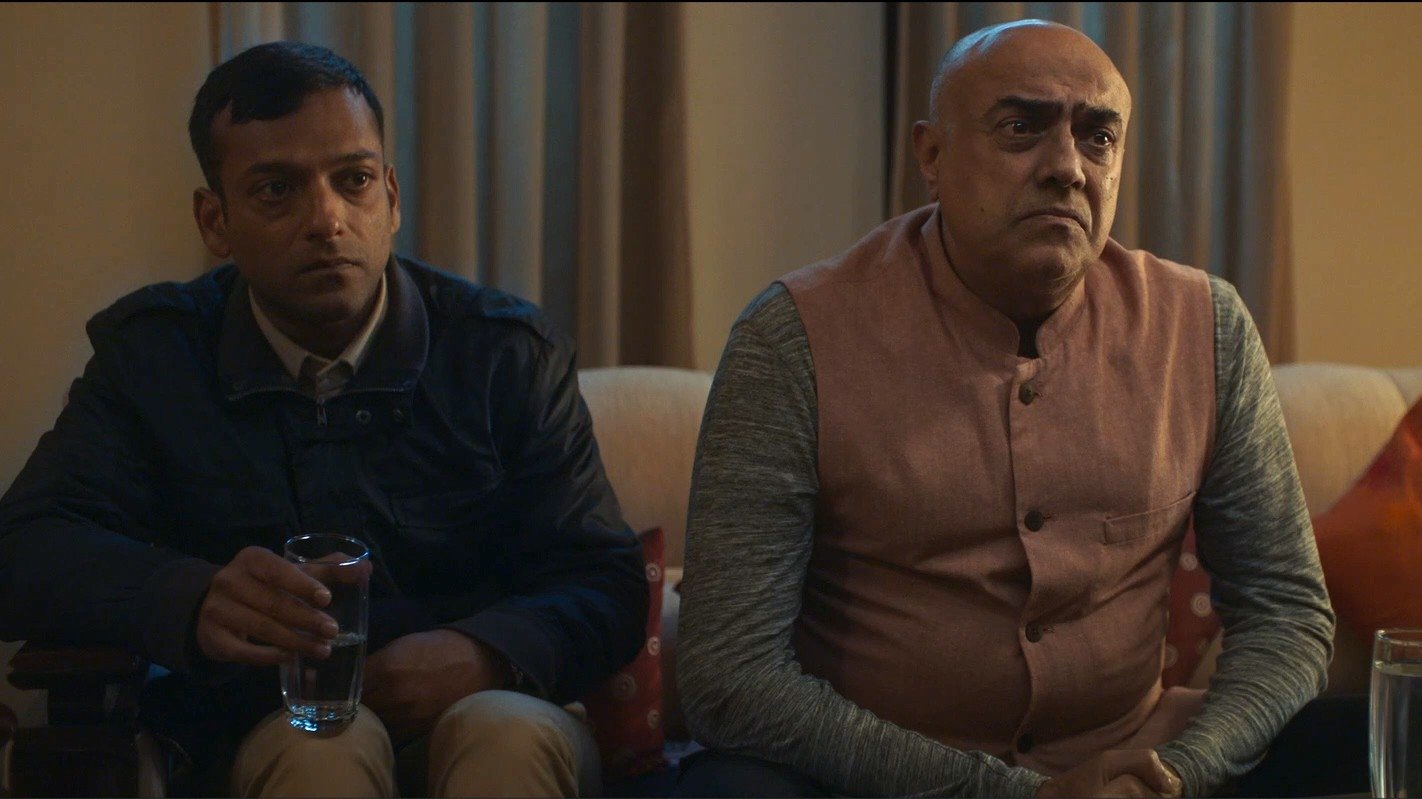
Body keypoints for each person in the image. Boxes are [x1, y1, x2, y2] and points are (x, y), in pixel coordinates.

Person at [675, 19, 1340, 798]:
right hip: (870, 779)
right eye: (1022, 128)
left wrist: (1177, 772)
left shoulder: (1205, 328)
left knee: (1382, 732)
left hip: (1137, 765)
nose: (1066, 168)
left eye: (1098, 137)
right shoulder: (795, 337)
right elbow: (729, 675)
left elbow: (1287, 612)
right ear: (932, 155)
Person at [0, 41, 647, 798]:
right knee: (322, 747)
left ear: (392, 198)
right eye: (277, 189)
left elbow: (605, 580)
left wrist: (487, 652)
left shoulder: (504, 352)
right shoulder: (155, 356)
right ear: (215, 220)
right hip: (258, 725)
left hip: (488, 701)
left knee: (503, 733)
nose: (327, 219)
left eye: (354, 180)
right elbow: (23, 546)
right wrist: (188, 596)